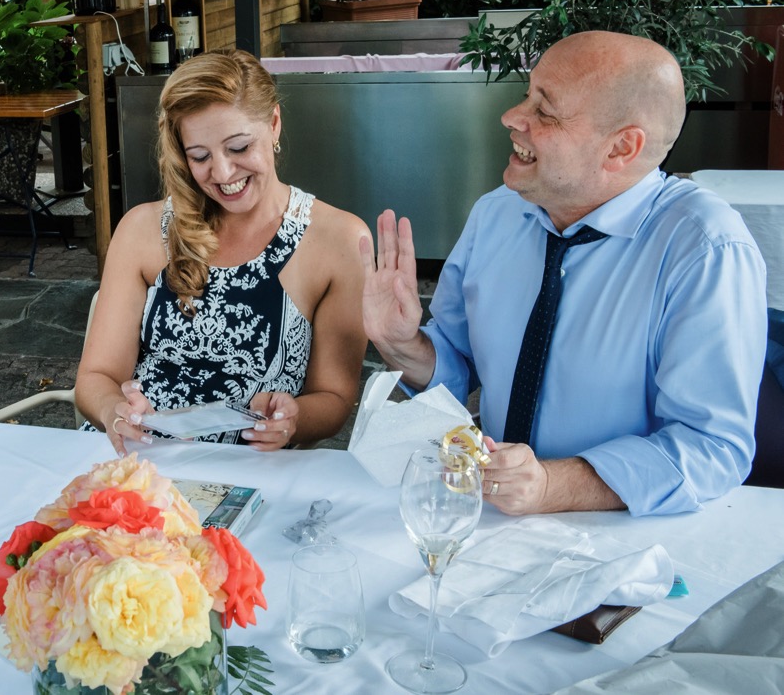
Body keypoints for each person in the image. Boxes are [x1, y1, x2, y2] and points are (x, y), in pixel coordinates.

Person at [362, 31, 767, 517]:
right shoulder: (497, 214)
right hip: (490, 518)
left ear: (621, 147)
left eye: (545, 111)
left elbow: (712, 446)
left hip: (622, 536)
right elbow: (456, 364)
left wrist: (552, 485)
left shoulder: (704, 249)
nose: (512, 118)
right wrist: (403, 344)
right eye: (526, 95)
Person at [76, 49, 369, 455]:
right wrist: (114, 410)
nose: (223, 174)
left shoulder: (339, 240)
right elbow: (95, 376)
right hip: (135, 463)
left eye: (238, 147)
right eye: (200, 156)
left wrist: (294, 418)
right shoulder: (143, 229)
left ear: (274, 125)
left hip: (247, 472)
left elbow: (334, 398)